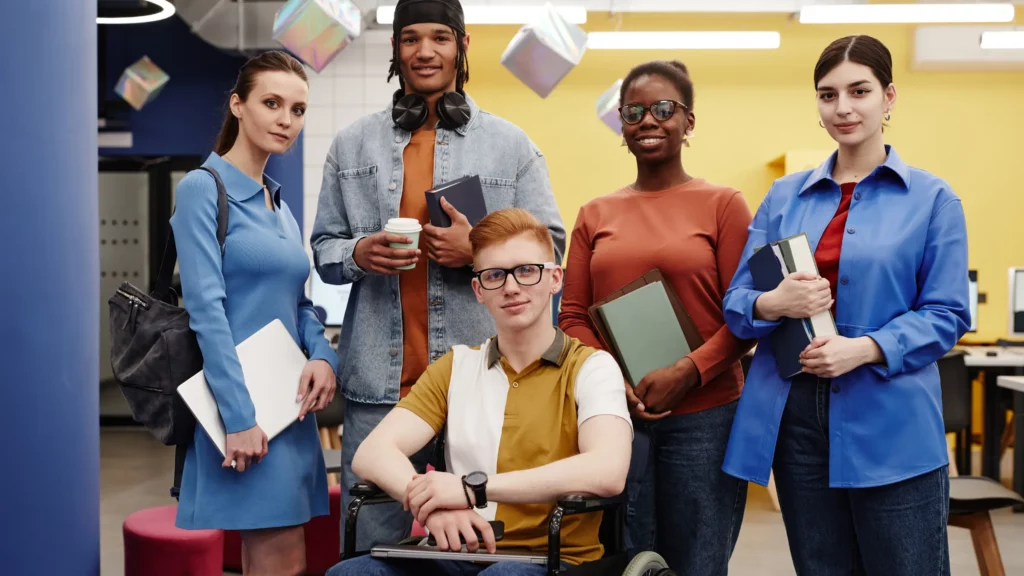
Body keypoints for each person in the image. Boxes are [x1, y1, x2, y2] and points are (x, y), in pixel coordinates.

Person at [310, 0, 565, 551]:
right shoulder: (351, 145)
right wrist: (361, 252)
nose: (424, 51)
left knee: (484, 547)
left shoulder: (511, 145)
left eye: (440, 38)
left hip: (482, 386)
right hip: (379, 390)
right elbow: (325, 251)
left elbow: (553, 250)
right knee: (371, 548)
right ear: (396, 49)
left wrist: (476, 250)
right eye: (410, 39)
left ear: (462, 47)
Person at [721, 35, 970, 575]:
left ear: (889, 97)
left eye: (859, 91)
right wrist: (773, 301)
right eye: (828, 95)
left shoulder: (934, 200)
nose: (843, 108)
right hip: (795, 416)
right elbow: (737, 303)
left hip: (891, 417)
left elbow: (948, 314)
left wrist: (865, 348)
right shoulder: (782, 198)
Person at [325, 208, 632, 576]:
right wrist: (434, 504)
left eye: (526, 270)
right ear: (478, 291)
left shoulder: (593, 368)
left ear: (554, 279)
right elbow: (373, 453)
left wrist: (473, 491)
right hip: (458, 552)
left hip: (552, 559)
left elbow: (607, 470)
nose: (511, 287)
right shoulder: (455, 367)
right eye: (494, 276)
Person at [557, 60, 754, 575]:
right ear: (621, 125)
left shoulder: (724, 205)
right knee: (623, 561)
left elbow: (746, 317)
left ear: (688, 122)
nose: (649, 120)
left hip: (707, 417)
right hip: (615, 418)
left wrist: (685, 372)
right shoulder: (595, 214)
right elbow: (572, 316)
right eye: (634, 111)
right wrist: (616, 382)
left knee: (697, 562)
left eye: (664, 109)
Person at [171, 51, 339, 575]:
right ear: (238, 105)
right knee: (279, 559)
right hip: (243, 411)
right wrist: (239, 419)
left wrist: (324, 355)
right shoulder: (203, 188)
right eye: (271, 103)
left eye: (298, 108)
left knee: (283, 556)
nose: (286, 119)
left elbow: (301, 304)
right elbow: (206, 313)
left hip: (289, 409)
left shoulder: (280, 205)